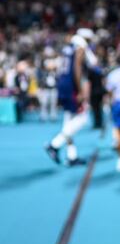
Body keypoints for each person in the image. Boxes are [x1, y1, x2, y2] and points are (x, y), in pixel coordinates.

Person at [45, 28, 95, 167]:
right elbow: (77, 68)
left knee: (69, 121)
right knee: (82, 118)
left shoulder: (68, 46)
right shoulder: (80, 46)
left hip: (63, 83)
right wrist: (79, 90)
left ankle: (71, 156)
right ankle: (54, 144)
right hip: (71, 85)